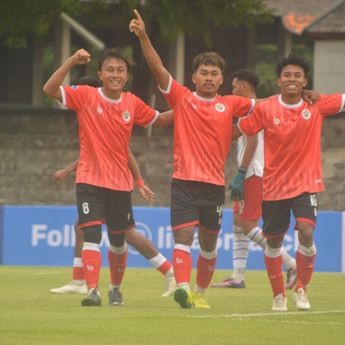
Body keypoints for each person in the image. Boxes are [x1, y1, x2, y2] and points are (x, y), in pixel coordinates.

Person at [130, 10, 256, 309]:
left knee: (210, 246)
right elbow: (157, 67)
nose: (209, 78)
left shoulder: (231, 104)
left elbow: (263, 107)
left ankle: (200, 292)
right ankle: (183, 288)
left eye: (214, 73)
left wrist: (297, 97)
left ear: (222, 79)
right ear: (194, 77)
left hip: (213, 186)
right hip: (184, 182)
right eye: (204, 73)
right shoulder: (183, 99)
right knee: (184, 237)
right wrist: (144, 35)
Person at [43, 47, 173, 307]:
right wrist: (71, 60)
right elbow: (49, 89)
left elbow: (159, 120)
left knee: (120, 237)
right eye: (110, 69)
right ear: (100, 74)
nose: (115, 74)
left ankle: (131, 284)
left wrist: (192, 109)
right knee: (89, 231)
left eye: (120, 70)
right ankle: (93, 290)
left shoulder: (132, 103)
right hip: (90, 180)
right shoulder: (86, 96)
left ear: (126, 77)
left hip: (119, 184)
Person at [232, 53, 345, 311]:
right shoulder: (266, 108)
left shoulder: (316, 104)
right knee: (273, 242)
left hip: (306, 183)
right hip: (273, 186)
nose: (292, 79)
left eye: (297, 75)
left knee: (306, 232)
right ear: (278, 81)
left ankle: (301, 289)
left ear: (305, 81)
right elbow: (245, 130)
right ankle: (278, 296)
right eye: (287, 75)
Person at [211, 69, 296, 289]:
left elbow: (253, 142)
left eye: (234, 85)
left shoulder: (252, 109)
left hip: (255, 172)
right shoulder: (250, 108)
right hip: (249, 172)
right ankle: (237, 277)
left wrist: (241, 173)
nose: (232, 89)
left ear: (243, 86)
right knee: (238, 224)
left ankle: (290, 264)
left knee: (248, 224)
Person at [50, 153, 176, 298]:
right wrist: (68, 170)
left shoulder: (111, 132)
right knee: (81, 226)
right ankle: (79, 281)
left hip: (114, 185)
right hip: (99, 184)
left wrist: (140, 183)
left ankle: (168, 271)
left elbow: (126, 152)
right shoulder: (96, 135)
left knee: (126, 234)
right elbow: (91, 155)